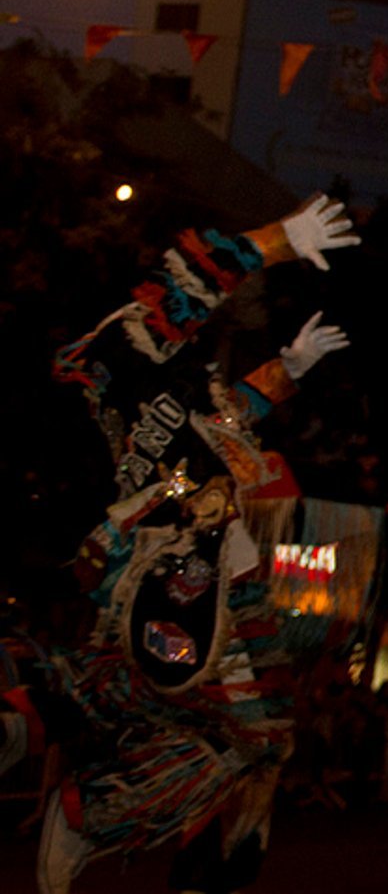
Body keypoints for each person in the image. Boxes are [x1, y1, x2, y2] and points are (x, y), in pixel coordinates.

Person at [22, 198, 358, 894]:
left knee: (256, 735)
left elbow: (233, 412)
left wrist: (290, 366)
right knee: (142, 698)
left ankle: (95, 811)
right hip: (164, 567)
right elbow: (184, 289)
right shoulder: (127, 353)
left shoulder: (184, 383)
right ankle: (81, 803)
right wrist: (272, 241)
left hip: (220, 574)